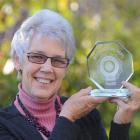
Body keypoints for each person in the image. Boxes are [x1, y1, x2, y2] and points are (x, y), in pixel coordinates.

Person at [0, 9, 140, 140]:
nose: (47, 68)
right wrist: (67, 118)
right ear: (18, 60)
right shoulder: (4, 125)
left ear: (66, 68)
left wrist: (121, 122)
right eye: (37, 56)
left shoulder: (87, 116)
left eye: (58, 60)